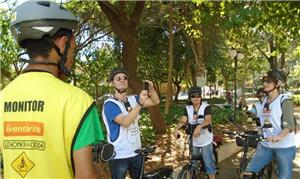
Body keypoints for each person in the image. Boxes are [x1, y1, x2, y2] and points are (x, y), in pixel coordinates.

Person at [0, 1, 104, 178]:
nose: (72, 58)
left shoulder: (2, 97)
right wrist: (97, 170)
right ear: (62, 44)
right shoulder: (78, 101)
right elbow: (86, 176)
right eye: (73, 49)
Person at [102, 67, 160, 179]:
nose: (122, 80)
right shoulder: (110, 104)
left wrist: (151, 89)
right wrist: (140, 103)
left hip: (136, 153)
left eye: (125, 78)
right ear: (111, 83)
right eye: (118, 78)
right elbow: (125, 122)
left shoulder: (133, 99)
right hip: (119, 155)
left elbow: (155, 101)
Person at [244, 69, 296, 179]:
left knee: (284, 177)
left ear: (278, 84)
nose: (265, 84)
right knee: (248, 173)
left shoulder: (284, 101)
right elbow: (259, 119)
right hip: (266, 145)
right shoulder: (264, 101)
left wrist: (278, 137)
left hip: (284, 147)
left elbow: (289, 126)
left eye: (269, 81)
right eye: (264, 81)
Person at [173, 86, 216, 179]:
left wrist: (199, 126)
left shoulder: (206, 107)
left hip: (205, 139)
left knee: (208, 164)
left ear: (201, 97)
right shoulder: (188, 108)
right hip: (194, 139)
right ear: (190, 98)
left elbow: (208, 120)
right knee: (193, 163)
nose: (196, 98)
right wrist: (176, 129)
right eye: (193, 96)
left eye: (198, 96)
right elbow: (183, 120)